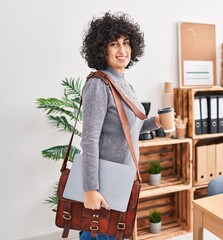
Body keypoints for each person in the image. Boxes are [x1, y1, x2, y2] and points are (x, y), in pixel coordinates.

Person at [79, 11, 161, 240]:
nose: (122, 50)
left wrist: (155, 122)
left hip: (123, 178)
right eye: (114, 44)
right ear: (101, 48)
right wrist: (90, 189)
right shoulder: (98, 84)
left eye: (126, 43)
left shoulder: (123, 82)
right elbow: (89, 139)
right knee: (99, 234)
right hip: (105, 182)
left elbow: (130, 128)